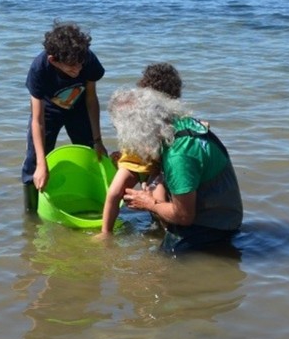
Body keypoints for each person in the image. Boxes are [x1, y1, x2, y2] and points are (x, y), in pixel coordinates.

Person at [97, 88, 243, 254]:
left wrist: (149, 203)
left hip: (216, 224)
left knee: (166, 257)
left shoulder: (178, 156)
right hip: (223, 208)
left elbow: (184, 217)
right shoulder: (179, 125)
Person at [21, 21, 108, 213]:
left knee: (93, 154)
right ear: (53, 60)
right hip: (48, 111)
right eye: (71, 67)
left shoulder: (87, 59)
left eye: (80, 65)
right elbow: (37, 120)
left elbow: (91, 99)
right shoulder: (39, 68)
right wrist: (42, 164)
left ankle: (95, 204)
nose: (78, 70)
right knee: (35, 162)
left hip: (79, 108)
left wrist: (98, 140)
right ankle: (32, 216)